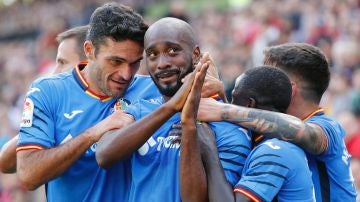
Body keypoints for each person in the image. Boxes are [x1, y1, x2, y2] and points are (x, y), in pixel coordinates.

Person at [96, 17, 252, 202]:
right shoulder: (139, 111)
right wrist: (171, 108)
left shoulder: (226, 126)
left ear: (195, 55)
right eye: (152, 54)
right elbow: (104, 155)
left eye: (172, 51)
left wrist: (189, 128)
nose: (162, 63)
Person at [16, 3, 149, 201]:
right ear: (89, 50)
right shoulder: (48, 91)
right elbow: (28, 175)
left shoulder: (151, 89)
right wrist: (94, 133)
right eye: (115, 61)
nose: (126, 74)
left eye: (135, 62)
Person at [198, 43, 357, 201]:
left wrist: (223, 110)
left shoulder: (328, 127)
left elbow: (304, 134)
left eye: (270, 73)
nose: (261, 76)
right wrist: (220, 96)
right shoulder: (271, 131)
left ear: (290, 89)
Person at [195, 66, 315, 201]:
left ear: (249, 104)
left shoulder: (275, 152)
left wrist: (209, 150)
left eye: (234, 98)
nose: (230, 104)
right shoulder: (271, 142)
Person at [0, 25, 89, 174]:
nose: (54, 73)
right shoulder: (56, 107)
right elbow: (5, 162)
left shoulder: (121, 106)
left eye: (62, 63)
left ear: (88, 62)